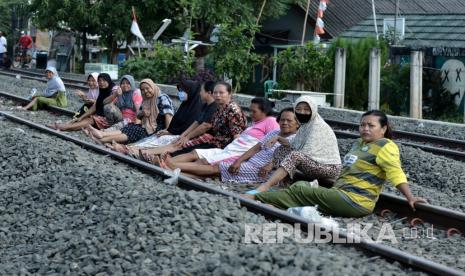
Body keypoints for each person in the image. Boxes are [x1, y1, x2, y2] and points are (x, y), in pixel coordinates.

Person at [245, 110, 428, 218]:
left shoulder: (385, 146)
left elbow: (395, 173)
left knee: (300, 190)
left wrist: (409, 197)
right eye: (362, 124)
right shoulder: (360, 144)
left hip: (355, 201)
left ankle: (258, 198)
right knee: (299, 189)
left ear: (384, 128)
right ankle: (261, 199)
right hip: (340, 194)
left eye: (370, 125)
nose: (365, 128)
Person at [247, 96, 341, 194]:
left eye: (306, 109)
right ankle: (281, 185)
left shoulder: (317, 126)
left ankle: (265, 186)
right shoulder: (306, 124)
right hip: (315, 163)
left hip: (329, 168)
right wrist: (278, 138)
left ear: (313, 110)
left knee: (295, 156)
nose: (302, 112)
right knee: (281, 149)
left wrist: (273, 163)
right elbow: (293, 144)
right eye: (298, 109)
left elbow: (305, 153)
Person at [163, 97, 278, 177]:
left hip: (238, 153)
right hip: (230, 149)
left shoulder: (271, 122)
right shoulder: (257, 122)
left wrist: (269, 163)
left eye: (254, 111)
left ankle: (171, 165)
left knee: (205, 162)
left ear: (265, 111)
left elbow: (272, 144)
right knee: (197, 155)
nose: (250, 114)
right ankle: (168, 164)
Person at [129, 80, 218, 158]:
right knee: (161, 138)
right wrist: (179, 134)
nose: (200, 93)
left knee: (169, 142)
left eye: (182, 91)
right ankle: (133, 149)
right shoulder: (192, 105)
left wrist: (184, 136)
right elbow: (196, 123)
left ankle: (140, 152)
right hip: (181, 134)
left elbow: (202, 125)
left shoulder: (200, 106)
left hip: (194, 137)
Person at [220, 107, 298, 183]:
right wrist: (239, 161)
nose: (285, 123)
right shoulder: (274, 132)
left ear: (297, 124)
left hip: (263, 170)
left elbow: (291, 151)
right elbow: (256, 148)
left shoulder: (297, 139)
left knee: (217, 169)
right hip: (251, 163)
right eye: (282, 120)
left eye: (289, 121)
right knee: (222, 169)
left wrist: (271, 165)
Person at [124, 79, 203, 149]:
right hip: (171, 133)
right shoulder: (184, 106)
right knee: (153, 138)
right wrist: (168, 131)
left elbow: (185, 126)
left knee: (159, 139)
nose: (180, 93)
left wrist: (169, 132)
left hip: (181, 137)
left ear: (191, 91)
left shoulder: (196, 108)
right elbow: (175, 123)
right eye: (180, 91)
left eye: (183, 91)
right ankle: (130, 148)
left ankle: (133, 150)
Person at [84, 78, 160, 144]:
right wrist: (115, 95)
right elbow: (104, 103)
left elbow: (138, 110)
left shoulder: (136, 93)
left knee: (124, 128)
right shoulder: (120, 93)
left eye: (127, 83)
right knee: (108, 108)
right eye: (123, 83)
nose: (125, 85)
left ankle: (101, 134)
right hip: (123, 119)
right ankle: (101, 134)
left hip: (132, 120)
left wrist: (136, 121)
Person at [50, 73, 116, 131]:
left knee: (90, 120)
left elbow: (107, 103)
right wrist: (81, 117)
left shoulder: (113, 89)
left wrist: (115, 94)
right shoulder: (102, 91)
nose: (101, 83)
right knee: (85, 119)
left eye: (104, 80)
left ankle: (63, 127)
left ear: (109, 81)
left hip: (112, 118)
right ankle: (66, 126)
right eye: (99, 81)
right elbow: (95, 106)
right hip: (102, 114)